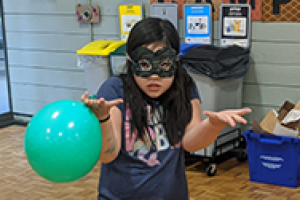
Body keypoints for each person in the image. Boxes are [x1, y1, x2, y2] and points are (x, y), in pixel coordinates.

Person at [81, 17, 251, 200]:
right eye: (145, 65)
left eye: (164, 65)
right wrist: (103, 119)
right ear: (131, 61)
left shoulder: (184, 87)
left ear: (175, 61)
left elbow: (190, 142)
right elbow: (108, 156)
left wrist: (213, 125)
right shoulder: (115, 89)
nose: (154, 76)